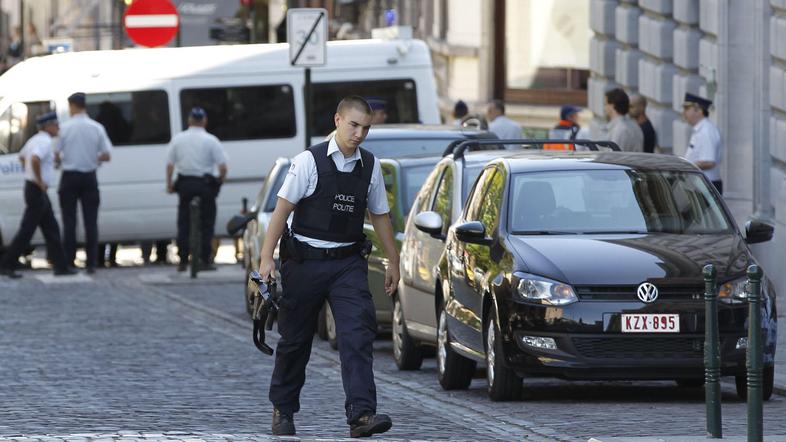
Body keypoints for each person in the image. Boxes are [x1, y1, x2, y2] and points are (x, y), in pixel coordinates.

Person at [257, 96, 398, 438]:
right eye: (354, 125)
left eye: (366, 128)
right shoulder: (309, 161)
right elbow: (282, 210)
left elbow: (379, 215)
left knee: (357, 337)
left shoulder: (370, 165)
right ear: (338, 120)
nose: (360, 134)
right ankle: (283, 409)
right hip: (305, 263)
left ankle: (362, 415)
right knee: (295, 341)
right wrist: (265, 260)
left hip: (348, 264)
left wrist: (393, 260)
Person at [0, 112, 76, 278]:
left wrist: (30, 174)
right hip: (37, 190)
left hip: (35, 189)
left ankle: (61, 266)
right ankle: (7, 264)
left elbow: (22, 157)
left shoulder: (35, 139)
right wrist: (39, 179)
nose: (58, 127)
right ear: (47, 126)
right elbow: (34, 159)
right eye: (55, 124)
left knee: (52, 229)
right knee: (27, 230)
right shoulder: (44, 142)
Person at [55, 92, 113, 274]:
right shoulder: (96, 127)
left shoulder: (64, 128)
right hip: (89, 177)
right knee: (91, 222)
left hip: (70, 177)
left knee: (69, 222)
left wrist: (62, 160)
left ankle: (70, 261)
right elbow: (107, 154)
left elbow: (55, 153)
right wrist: (93, 158)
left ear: (72, 106)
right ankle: (91, 263)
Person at [166, 107, 228, 272]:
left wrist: (169, 185)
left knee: (184, 223)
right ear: (204, 121)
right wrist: (219, 182)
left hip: (185, 184)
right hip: (204, 185)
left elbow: (170, 165)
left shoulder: (178, 139)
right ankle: (205, 259)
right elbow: (223, 167)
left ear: (189, 120)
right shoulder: (211, 140)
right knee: (206, 223)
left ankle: (183, 260)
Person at [681, 92, 723, 194]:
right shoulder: (701, 130)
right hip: (700, 185)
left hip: (706, 185)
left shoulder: (706, 131)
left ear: (699, 110)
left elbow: (708, 162)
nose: (684, 113)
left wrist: (684, 167)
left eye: (687, 109)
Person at [604, 88, 644, 152]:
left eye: (605, 104)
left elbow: (613, 156)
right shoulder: (634, 125)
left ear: (612, 105)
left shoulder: (620, 129)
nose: (604, 107)